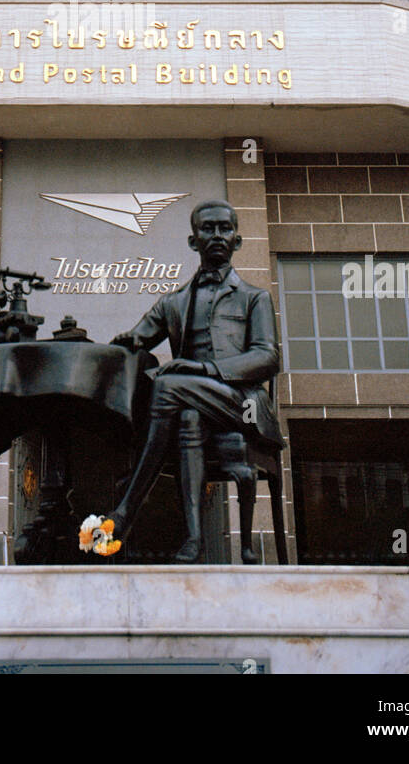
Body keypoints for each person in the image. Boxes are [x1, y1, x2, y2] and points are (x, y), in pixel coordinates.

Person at [106, 199, 284, 563]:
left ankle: (126, 509)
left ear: (236, 240)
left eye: (224, 228)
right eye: (208, 229)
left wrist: (204, 370)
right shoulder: (173, 302)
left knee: (167, 384)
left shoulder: (255, 298)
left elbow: (268, 358)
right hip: (192, 409)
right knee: (185, 414)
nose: (217, 235)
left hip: (243, 404)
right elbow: (136, 338)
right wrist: (123, 345)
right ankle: (193, 541)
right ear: (193, 241)